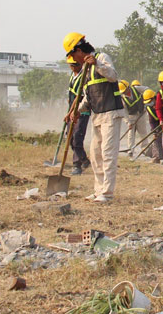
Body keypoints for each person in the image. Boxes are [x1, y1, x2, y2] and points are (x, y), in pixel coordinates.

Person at [63, 32, 124, 203]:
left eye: (73, 55)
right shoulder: (84, 70)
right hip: (97, 115)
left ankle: (107, 193)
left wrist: (97, 64)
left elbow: (113, 75)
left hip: (111, 113)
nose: (74, 59)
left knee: (108, 154)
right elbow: (87, 96)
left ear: (79, 50)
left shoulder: (101, 57)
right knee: (95, 154)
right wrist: (77, 111)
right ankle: (98, 191)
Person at [66, 56, 91, 176]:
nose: (71, 67)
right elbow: (71, 94)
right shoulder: (73, 75)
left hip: (81, 112)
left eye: (72, 65)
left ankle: (77, 165)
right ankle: (84, 160)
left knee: (77, 138)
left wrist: (71, 111)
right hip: (71, 111)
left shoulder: (83, 77)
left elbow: (78, 98)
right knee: (70, 138)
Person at [119, 80, 148, 159]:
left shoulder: (137, 89)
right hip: (131, 116)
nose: (125, 93)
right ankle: (130, 150)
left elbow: (147, 90)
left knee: (143, 132)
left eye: (125, 91)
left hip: (141, 114)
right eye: (123, 92)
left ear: (128, 87)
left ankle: (145, 149)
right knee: (131, 134)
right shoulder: (122, 98)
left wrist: (146, 102)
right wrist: (128, 122)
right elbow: (124, 112)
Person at [141, 88, 163, 164]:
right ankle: (157, 157)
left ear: (154, 98)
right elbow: (152, 121)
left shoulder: (162, 102)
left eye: (150, 101)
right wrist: (154, 132)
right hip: (157, 123)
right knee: (156, 139)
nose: (149, 104)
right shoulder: (149, 108)